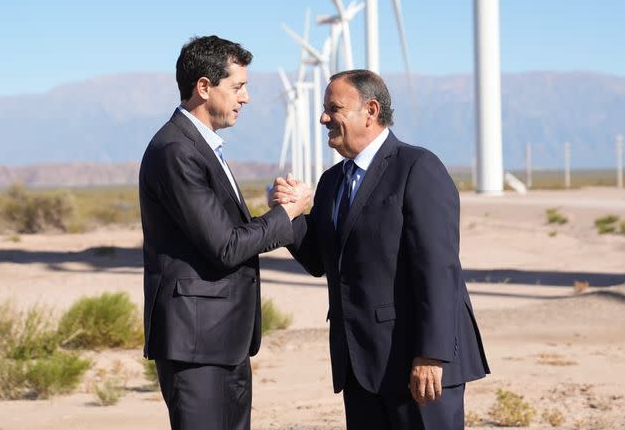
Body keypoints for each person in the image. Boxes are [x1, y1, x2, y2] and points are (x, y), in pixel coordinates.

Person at [271, 69, 489, 430]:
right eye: (323, 109)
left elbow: (438, 269)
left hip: (417, 365)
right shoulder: (331, 182)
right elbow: (319, 260)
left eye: (333, 108)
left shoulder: (417, 167)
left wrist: (431, 355)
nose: (323, 118)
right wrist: (289, 214)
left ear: (370, 111)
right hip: (360, 366)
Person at [139, 35, 310, 430]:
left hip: (222, 339)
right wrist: (286, 214)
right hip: (196, 344)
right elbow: (225, 246)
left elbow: (222, 233)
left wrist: (275, 213)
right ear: (204, 87)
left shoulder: (200, 147)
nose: (245, 98)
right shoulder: (176, 150)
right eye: (237, 87)